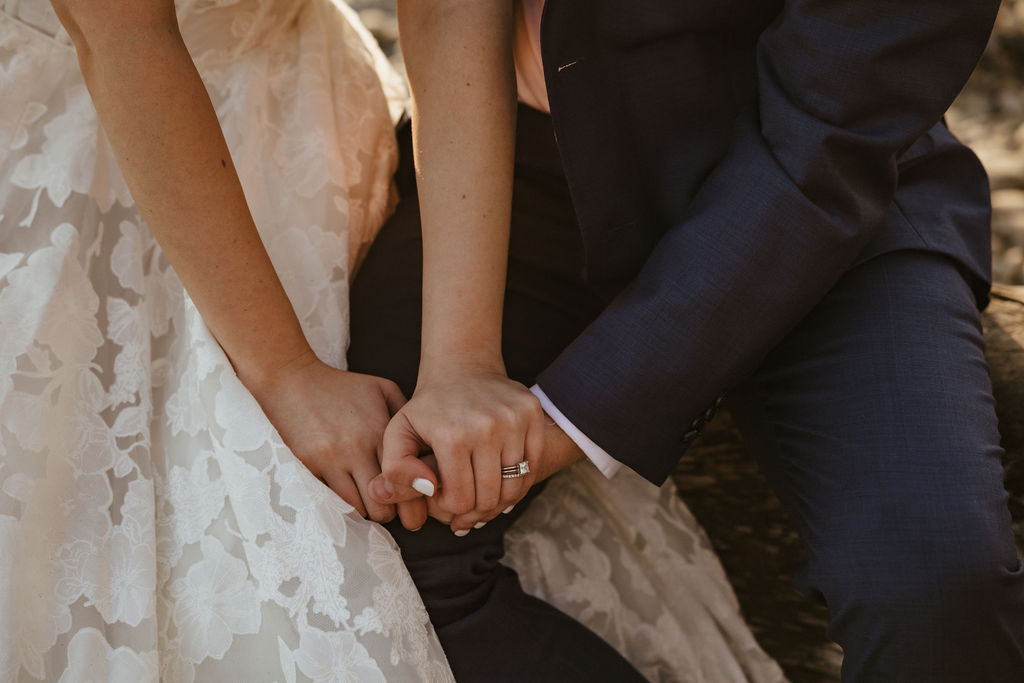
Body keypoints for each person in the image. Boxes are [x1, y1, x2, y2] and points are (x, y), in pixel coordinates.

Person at [0, 0, 784, 681]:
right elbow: (120, 33)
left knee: (421, 506)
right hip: (83, 131)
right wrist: (283, 369)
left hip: (308, 121)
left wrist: (462, 359)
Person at [373, 0, 1024, 680]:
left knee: (935, 580)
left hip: (824, 178)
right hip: (511, 161)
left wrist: (568, 419)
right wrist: (459, 362)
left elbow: (827, 134)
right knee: (371, 536)